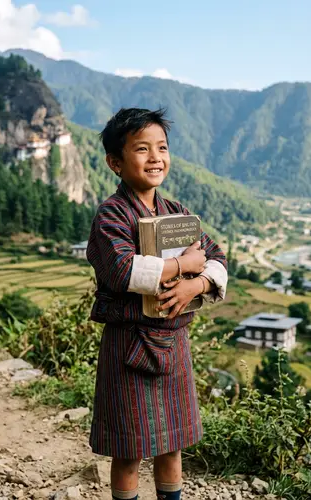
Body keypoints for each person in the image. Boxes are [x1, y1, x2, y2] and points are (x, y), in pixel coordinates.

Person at [86, 107, 228, 500]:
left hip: (172, 342)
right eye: (142, 149)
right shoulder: (111, 215)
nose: (155, 157)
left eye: (162, 148)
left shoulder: (177, 214)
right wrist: (182, 264)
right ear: (115, 162)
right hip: (129, 344)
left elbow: (216, 257)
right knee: (129, 449)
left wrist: (194, 285)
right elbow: (121, 270)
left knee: (172, 443)